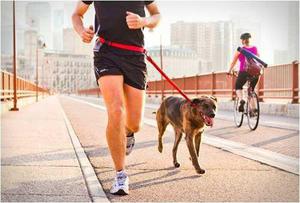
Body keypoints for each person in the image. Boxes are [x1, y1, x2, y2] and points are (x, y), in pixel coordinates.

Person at [72, 1, 160, 195]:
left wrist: (143, 20)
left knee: (135, 124)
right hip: (106, 52)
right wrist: (81, 32)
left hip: (135, 56)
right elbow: (77, 14)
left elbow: (157, 15)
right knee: (116, 110)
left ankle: (128, 133)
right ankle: (120, 175)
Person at [227, 33, 260, 113]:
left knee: (238, 86)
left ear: (243, 40)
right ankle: (254, 108)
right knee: (251, 90)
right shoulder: (255, 48)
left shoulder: (240, 50)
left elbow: (233, 62)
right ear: (249, 39)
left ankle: (241, 100)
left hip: (244, 71)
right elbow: (258, 60)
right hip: (255, 72)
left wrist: (229, 71)